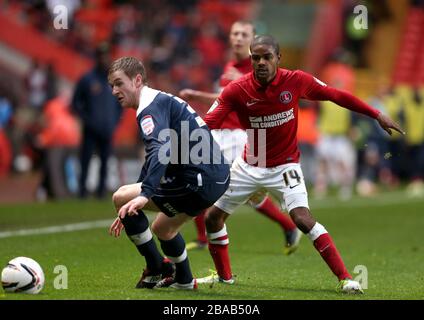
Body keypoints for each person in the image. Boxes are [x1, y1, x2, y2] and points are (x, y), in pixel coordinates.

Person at [200, 35, 404, 293]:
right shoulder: (237, 89)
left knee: (303, 219)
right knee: (213, 218)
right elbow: (208, 123)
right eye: (256, 58)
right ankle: (224, 278)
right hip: (249, 165)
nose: (261, 62)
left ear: (278, 58)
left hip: (285, 166)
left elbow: (335, 94)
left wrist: (376, 114)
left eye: (267, 57)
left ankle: (345, 278)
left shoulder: (295, 80)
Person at [107, 57, 230, 290]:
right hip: (216, 177)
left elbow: (160, 149)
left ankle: (156, 267)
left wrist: (144, 194)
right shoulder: (159, 100)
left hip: (197, 180)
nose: (114, 90)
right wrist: (138, 197)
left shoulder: (148, 109)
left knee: (120, 197)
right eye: (111, 85)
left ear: (137, 80)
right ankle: (184, 280)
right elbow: (160, 153)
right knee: (163, 228)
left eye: (119, 83)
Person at [179, 20, 301, 254]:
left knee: (240, 192)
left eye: (244, 34)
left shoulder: (257, 65)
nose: (238, 38)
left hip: (246, 137)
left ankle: (289, 224)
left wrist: (198, 94)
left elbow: (236, 94)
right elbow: (226, 100)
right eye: (234, 33)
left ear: (253, 39)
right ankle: (205, 236)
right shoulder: (231, 65)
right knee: (199, 178)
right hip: (225, 135)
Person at [71, 42, 122, 199]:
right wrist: (87, 120)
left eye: (106, 56)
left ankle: (101, 192)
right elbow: (75, 103)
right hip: (90, 130)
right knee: (85, 161)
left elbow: (121, 103)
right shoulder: (87, 79)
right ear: (97, 57)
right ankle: (82, 192)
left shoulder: (113, 81)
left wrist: (114, 122)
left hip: (107, 129)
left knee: (105, 162)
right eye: (101, 56)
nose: (103, 59)